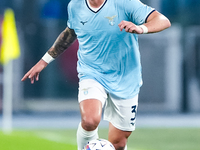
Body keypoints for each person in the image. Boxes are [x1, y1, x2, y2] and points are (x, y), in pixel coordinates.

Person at [21, 0, 171, 150]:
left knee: (118, 143)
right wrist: (44, 61)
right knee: (89, 121)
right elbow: (71, 32)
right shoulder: (75, 5)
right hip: (92, 72)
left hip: (126, 76)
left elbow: (163, 21)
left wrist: (141, 28)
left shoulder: (125, 3)